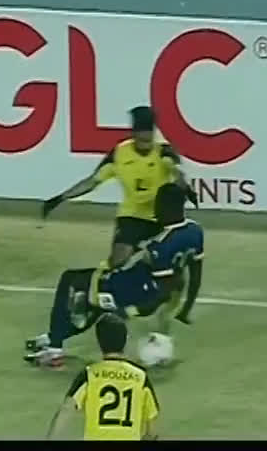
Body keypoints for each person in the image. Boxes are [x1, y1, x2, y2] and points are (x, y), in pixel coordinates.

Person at [25, 183, 204, 367]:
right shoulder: (194, 230)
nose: (155, 208)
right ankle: (55, 335)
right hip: (136, 282)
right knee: (92, 305)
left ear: (168, 207)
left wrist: (128, 311)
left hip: (133, 291)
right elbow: (196, 274)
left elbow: (162, 292)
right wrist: (186, 308)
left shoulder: (163, 244)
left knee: (71, 280)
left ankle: (54, 349)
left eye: (158, 204)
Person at [41, 106, 198, 268]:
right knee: (118, 262)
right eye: (143, 140)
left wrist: (186, 188)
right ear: (134, 134)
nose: (147, 144)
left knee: (165, 263)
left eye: (149, 139)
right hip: (131, 217)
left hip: (162, 217)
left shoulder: (163, 151)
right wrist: (61, 197)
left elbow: (177, 172)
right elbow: (92, 182)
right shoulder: (119, 154)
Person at [47, 313, 160, 441]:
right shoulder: (140, 377)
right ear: (125, 340)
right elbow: (152, 428)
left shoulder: (90, 374)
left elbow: (67, 408)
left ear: (99, 342)